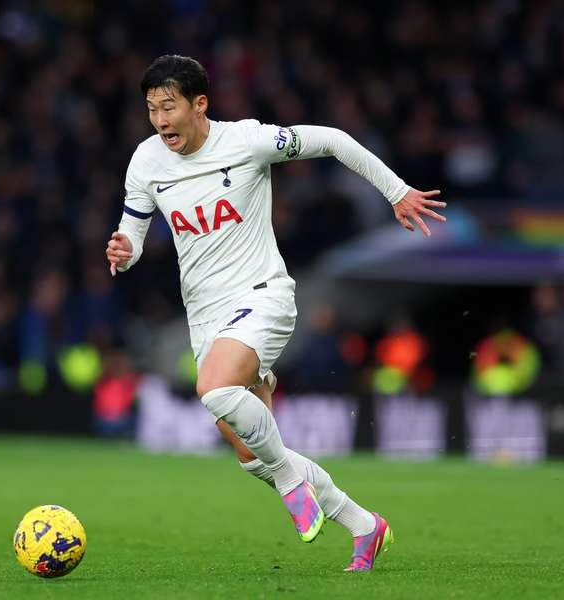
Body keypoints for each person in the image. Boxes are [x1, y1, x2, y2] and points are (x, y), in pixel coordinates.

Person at [106, 55, 446, 572]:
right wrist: (125, 250)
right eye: (152, 109)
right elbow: (133, 228)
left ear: (200, 104)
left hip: (261, 296)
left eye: (169, 107)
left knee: (214, 391)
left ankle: (292, 487)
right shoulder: (146, 161)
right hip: (205, 316)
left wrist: (397, 192)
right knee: (253, 456)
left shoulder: (247, 142)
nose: (160, 120)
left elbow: (332, 139)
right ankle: (364, 526)